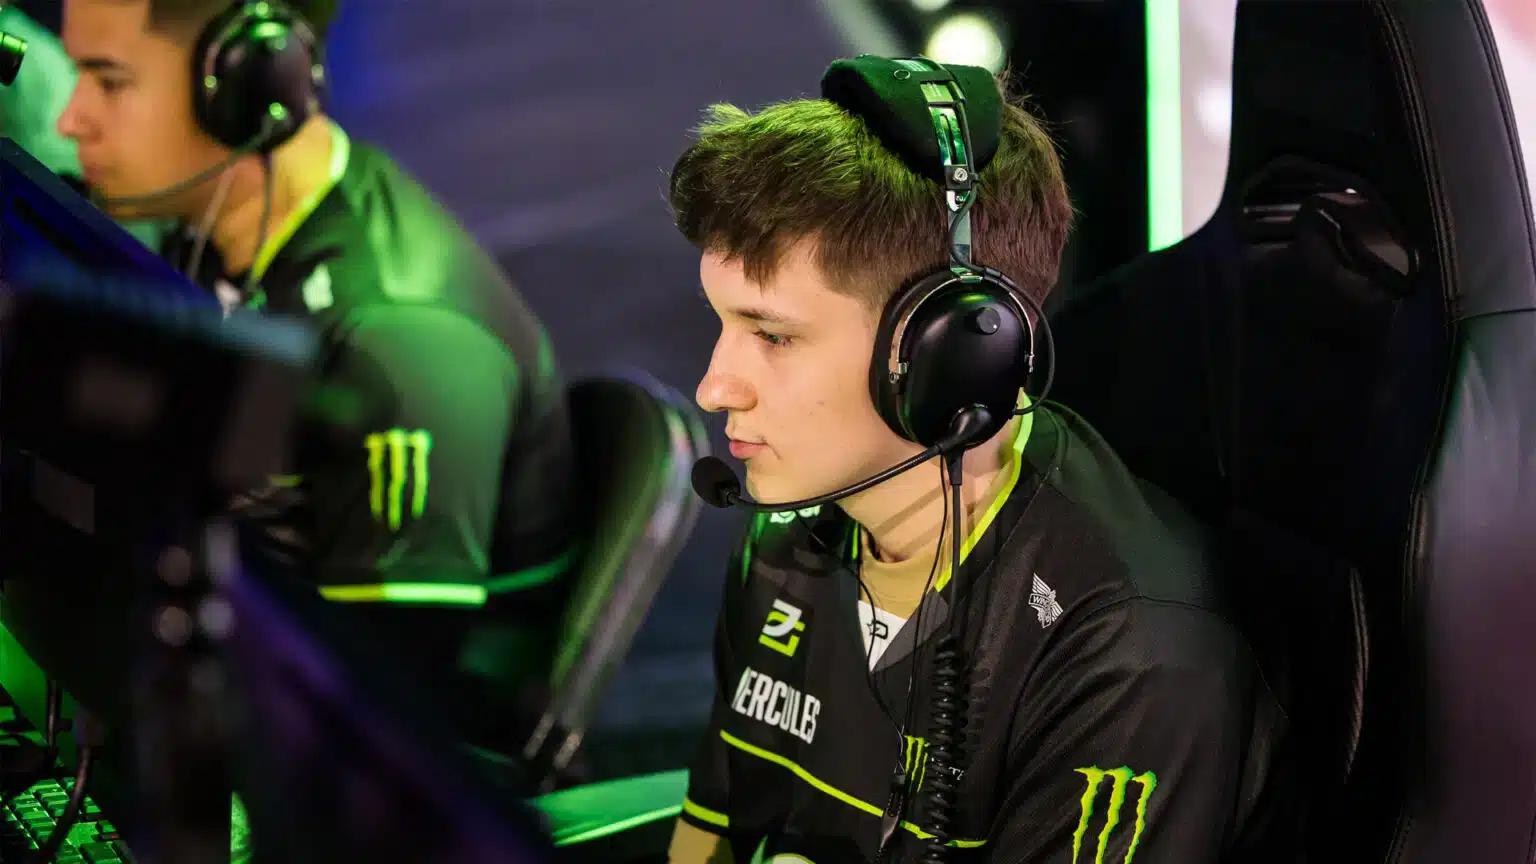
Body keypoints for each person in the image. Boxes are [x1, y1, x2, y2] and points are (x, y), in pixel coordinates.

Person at [667, 58, 1291, 863]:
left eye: (774, 336)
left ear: (952, 355)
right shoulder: (785, 536)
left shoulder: (1128, 653)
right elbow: (707, 838)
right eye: (722, 324)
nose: (714, 387)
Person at [56, 0, 578, 761]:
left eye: (109, 82)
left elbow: (380, 726)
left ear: (249, 84)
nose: (70, 119)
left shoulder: (400, 340)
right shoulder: (218, 231)